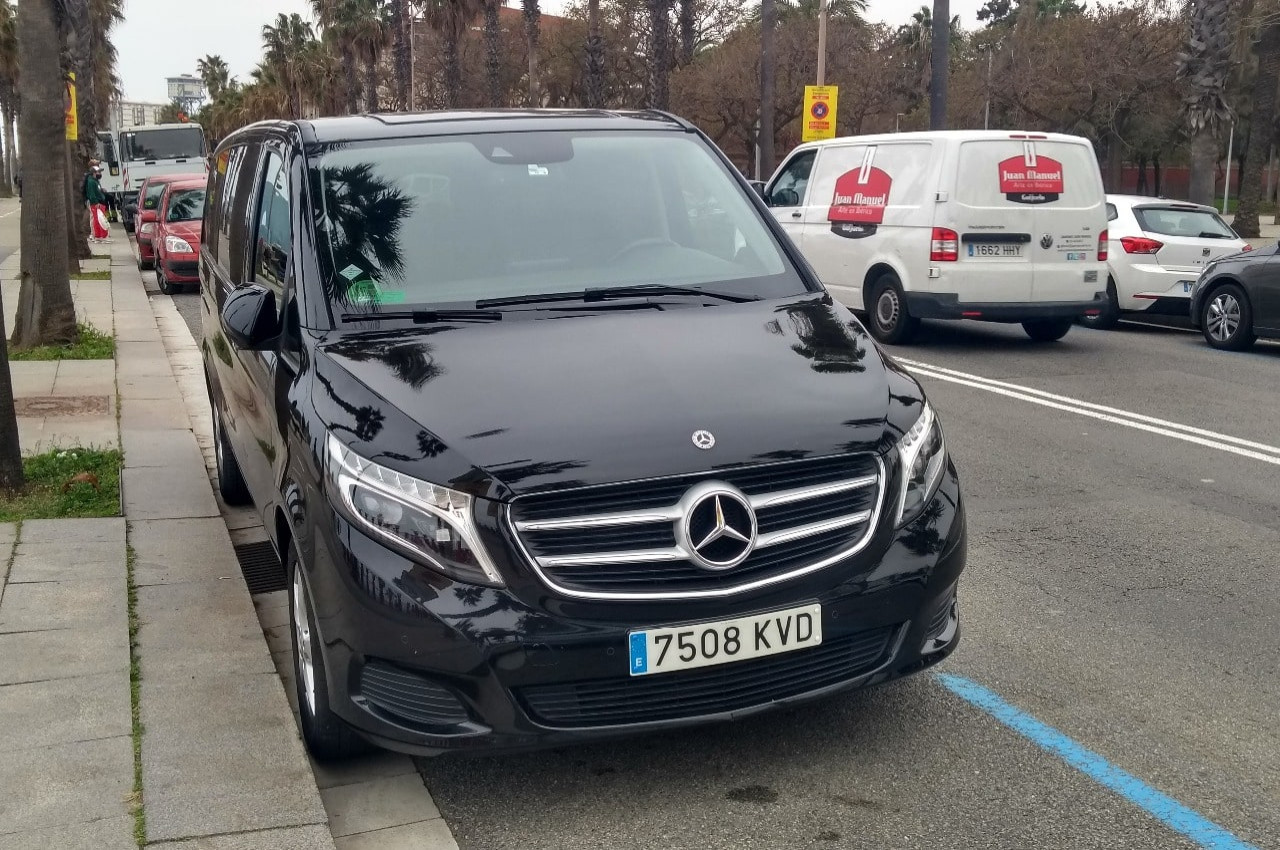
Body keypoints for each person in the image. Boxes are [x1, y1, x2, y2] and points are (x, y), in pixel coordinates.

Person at [86, 165, 110, 243]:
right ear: (94, 173)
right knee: (98, 220)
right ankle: (99, 236)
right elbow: (91, 193)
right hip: (96, 203)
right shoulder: (91, 182)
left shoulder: (95, 181)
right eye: (98, 172)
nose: (100, 173)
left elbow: (96, 190)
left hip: (100, 202)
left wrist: (102, 190)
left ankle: (100, 236)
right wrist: (96, 202)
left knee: (100, 219)